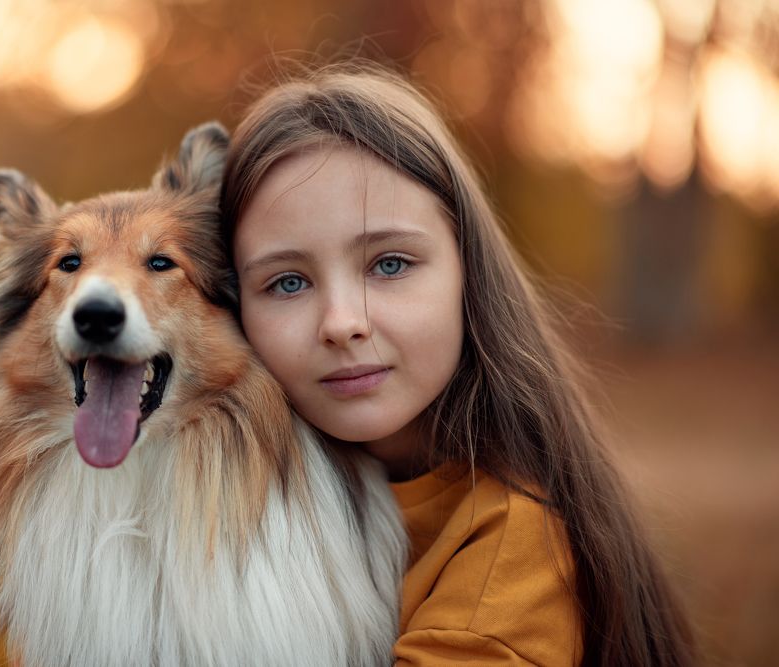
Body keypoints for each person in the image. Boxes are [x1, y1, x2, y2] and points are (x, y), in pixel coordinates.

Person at [218, 62, 696, 666]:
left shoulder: (508, 557)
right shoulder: (232, 496)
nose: (342, 322)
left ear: (468, 273)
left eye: (389, 265)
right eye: (288, 282)